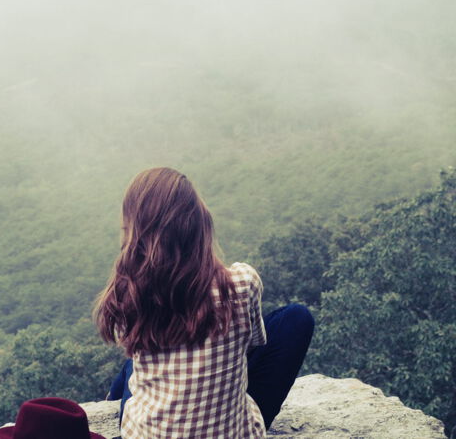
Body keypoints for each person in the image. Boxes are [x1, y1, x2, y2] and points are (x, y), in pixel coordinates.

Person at [94, 167, 314, 438]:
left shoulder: (129, 296)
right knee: (296, 318)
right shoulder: (243, 283)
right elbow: (251, 345)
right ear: (199, 224)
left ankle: (111, 399)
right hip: (229, 432)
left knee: (133, 363)